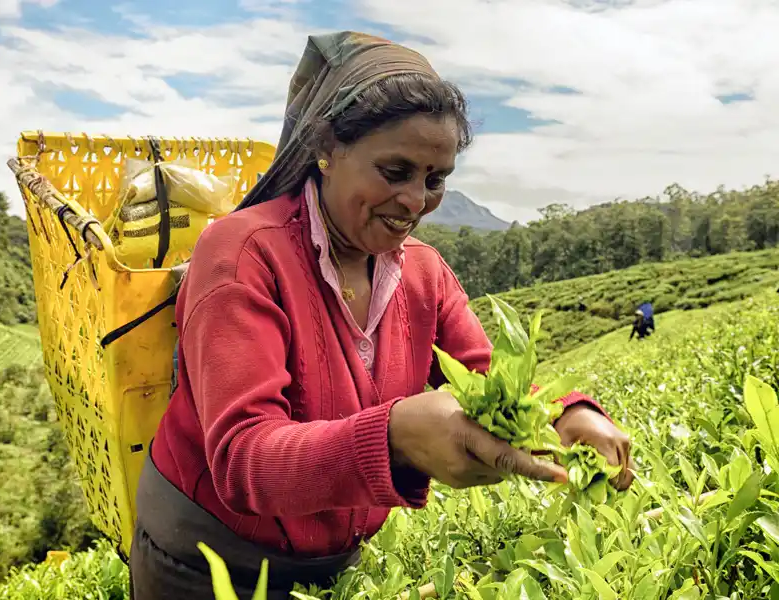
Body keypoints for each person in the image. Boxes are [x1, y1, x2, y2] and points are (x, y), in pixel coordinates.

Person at [128, 31, 635, 600]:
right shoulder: (243, 252)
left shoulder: (423, 271)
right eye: (395, 172)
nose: (417, 201)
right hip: (205, 565)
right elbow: (244, 457)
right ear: (327, 148)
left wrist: (566, 417)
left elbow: (486, 379)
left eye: (435, 179)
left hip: (333, 562)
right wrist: (392, 435)